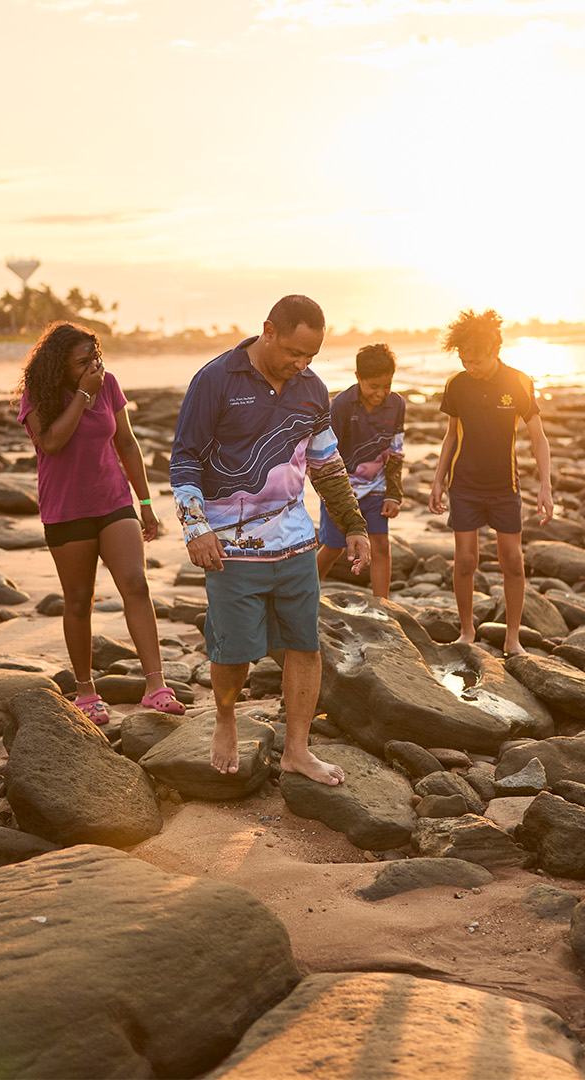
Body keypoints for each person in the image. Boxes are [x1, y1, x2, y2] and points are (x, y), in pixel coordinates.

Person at [171, 295, 372, 785]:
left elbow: (326, 466)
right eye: (295, 353)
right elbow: (185, 459)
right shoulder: (215, 380)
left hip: (296, 544)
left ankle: (297, 751)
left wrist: (355, 526)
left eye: (311, 356)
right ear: (269, 331)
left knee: (305, 646)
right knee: (233, 653)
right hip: (231, 548)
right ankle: (224, 720)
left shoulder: (311, 389)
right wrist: (196, 529)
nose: (302, 364)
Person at [18, 321, 184, 723]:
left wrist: (144, 500)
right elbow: (52, 443)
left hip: (113, 501)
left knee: (136, 583)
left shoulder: (107, 384)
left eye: (95, 358)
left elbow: (126, 442)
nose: (93, 366)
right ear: (60, 365)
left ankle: (155, 685)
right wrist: (81, 397)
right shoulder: (38, 394)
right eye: (81, 362)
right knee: (78, 601)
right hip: (66, 510)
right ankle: (86, 692)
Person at [427, 308, 554, 655]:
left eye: (477, 361)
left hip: (504, 487)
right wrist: (438, 481)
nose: (471, 367)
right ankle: (467, 631)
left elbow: (538, 437)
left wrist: (545, 485)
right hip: (464, 485)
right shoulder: (456, 384)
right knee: (465, 560)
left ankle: (512, 638)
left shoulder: (518, 382)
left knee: (512, 560)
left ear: (495, 350)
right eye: (465, 360)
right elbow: (450, 436)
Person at [315, 343, 406, 598]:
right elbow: (326, 454)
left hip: (376, 489)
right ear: (358, 378)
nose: (381, 393)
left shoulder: (397, 405)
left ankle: (382, 606)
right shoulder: (342, 405)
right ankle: (304, 595)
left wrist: (393, 494)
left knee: (381, 546)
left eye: (386, 386)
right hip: (341, 491)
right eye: (373, 387)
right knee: (333, 548)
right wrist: (330, 494)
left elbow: (396, 451)